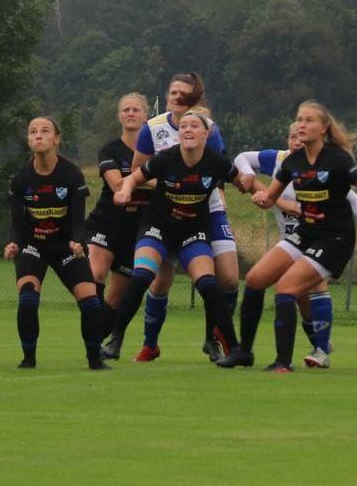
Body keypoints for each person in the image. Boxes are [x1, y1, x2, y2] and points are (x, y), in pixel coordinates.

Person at [218, 101, 357, 372]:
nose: (301, 125)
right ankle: (244, 353)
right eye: (299, 119)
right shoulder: (292, 162)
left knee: (286, 289)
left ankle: (283, 362)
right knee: (256, 279)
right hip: (305, 234)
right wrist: (260, 195)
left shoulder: (337, 160)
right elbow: (271, 197)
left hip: (334, 239)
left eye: (308, 121)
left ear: (324, 128)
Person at [111, 110, 251, 359]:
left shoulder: (217, 163)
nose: (187, 129)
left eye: (194, 125)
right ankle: (115, 341)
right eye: (183, 125)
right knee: (143, 275)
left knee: (209, 284)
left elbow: (242, 181)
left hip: (193, 231)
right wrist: (125, 191)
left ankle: (235, 349)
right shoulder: (165, 159)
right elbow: (134, 177)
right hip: (158, 227)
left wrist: (258, 191)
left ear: (206, 134)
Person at [129, 72, 240, 362]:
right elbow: (137, 173)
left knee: (227, 278)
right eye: (172, 93)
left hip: (208, 209)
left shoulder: (209, 129)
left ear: (194, 100)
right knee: (160, 282)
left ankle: (214, 340)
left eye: (184, 95)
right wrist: (170, 183)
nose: (177, 99)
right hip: (167, 212)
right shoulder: (151, 128)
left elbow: (219, 169)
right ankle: (150, 344)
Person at [4, 116, 109, 371]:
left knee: (91, 302)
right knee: (28, 299)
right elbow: (17, 223)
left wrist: (77, 241)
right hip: (33, 246)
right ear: (29, 140)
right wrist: (14, 244)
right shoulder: (21, 179)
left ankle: (95, 359)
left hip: (64, 247)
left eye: (44, 131)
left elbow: (78, 219)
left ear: (57, 139)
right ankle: (28, 359)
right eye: (33, 132)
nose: (38, 135)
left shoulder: (71, 174)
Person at [87, 93, 150, 358]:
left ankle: (100, 342)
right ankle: (92, 336)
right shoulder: (110, 150)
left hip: (135, 233)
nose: (130, 113)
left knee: (116, 300)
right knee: (96, 276)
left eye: (136, 109)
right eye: (126, 109)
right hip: (106, 224)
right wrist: (152, 180)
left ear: (146, 116)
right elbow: (116, 185)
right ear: (119, 116)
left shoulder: (155, 153)